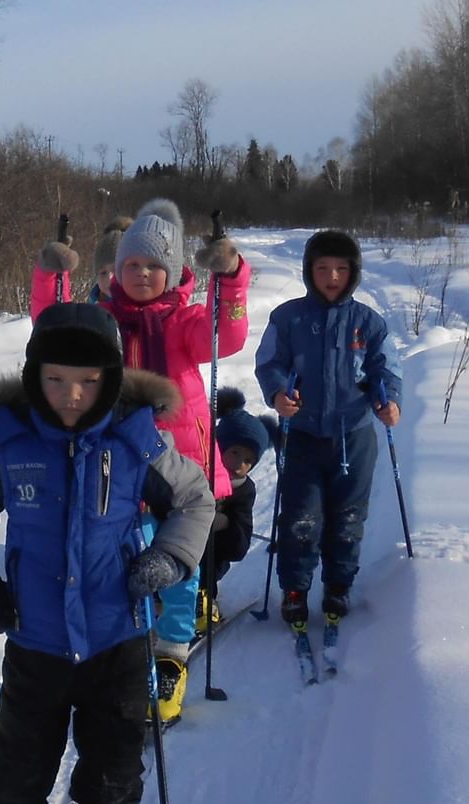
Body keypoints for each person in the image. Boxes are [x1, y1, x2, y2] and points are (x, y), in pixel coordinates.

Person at [0, 302, 213, 804]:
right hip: (35, 640)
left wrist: (169, 560)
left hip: (117, 637)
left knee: (114, 761)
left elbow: (194, 499)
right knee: (17, 762)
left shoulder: (136, 441)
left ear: (110, 379)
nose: (71, 395)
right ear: (35, 373)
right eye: (56, 379)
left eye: (88, 382)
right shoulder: (8, 445)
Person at [100, 200, 248, 717]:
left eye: (153, 266)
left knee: (176, 563)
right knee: (125, 555)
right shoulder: (104, 321)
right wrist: (48, 276)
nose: (142, 274)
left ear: (173, 272)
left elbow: (226, 334)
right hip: (117, 462)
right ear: (119, 270)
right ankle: (124, 639)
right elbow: (49, 332)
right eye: (133, 265)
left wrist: (230, 278)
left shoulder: (185, 321)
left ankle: (171, 654)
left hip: (179, 467)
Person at [254, 229, 401, 632]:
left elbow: (383, 369)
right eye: (322, 268)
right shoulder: (288, 318)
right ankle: (295, 588)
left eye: (340, 268)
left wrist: (389, 401)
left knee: (348, 516)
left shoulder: (368, 322)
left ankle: (339, 583)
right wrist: (278, 393)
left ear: (353, 273)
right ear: (309, 271)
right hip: (301, 435)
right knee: (301, 516)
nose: (331, 276)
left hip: (353, 436)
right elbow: (269, 363)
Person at [199, 387, 282, 619]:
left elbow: (239, 547)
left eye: (248, 460)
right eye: (234, 453)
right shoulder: (196, 474)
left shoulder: (244, 491)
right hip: (182, 543)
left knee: (208, 551)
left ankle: (204, 597)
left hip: (214, 554)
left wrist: (225, 523)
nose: (240, 464)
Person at [30, 216, 131, 317]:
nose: (109, 277)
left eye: (117, 270)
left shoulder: (143, 317)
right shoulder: (92, 316)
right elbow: (54, 324)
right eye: (103, 272)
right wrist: (49, 273)